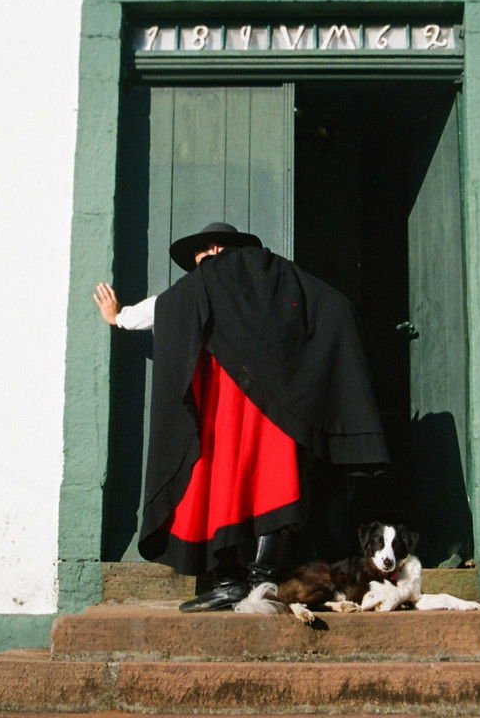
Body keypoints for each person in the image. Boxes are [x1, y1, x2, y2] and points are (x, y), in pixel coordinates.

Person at [95, 222, 388, 612]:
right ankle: (262, 581)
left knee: (224, 486)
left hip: (229, 407)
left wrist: (119, 318)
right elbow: (333, 305)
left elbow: (165, 309)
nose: (197, 267)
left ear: (214, 248)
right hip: (277, 410)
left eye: (199, 257)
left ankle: (231, 583)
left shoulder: (208, 276)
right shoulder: (280, 273)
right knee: (275, 483)